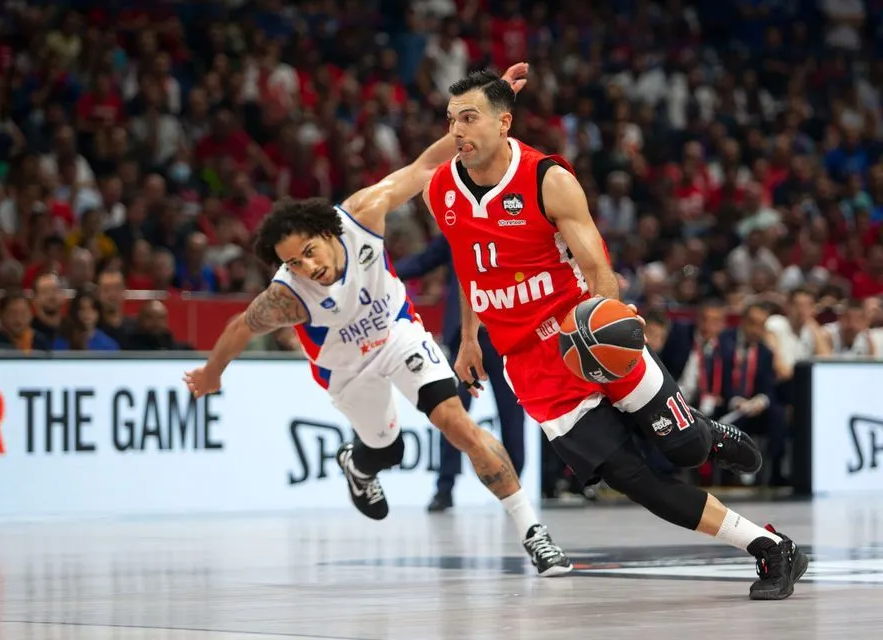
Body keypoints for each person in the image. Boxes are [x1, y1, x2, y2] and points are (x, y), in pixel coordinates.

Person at [424, 69, 808, 600]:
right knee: (636, 480)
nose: (457, 130)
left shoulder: (546, 178)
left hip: (586, 331)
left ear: (504, 123)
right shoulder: (440, 189)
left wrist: (611, 315)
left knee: (683, 449)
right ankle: (771, 547)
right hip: (532, 367)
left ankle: (706, 433)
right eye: (451, 120)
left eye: (469, 118)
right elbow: (469, 266)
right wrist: (470, 338)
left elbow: (597, 266)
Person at [183, 63, 572, 578]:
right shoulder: (288, 296)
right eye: (292, 262)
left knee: (457, 424)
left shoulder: (363, 214)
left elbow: (426, 163)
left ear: (327, 231)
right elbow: (240, 327)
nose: (306, 267)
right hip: (346, 371)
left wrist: (486, 107)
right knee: (388, 450)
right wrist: (212, 373)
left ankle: (533, 533)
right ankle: (360, 463)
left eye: (308, 252)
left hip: (397, 335)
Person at [395, 233, 526, 512]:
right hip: (466, 340)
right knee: (452, 413)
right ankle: (445, 488)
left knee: (511, 415)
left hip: (504, 337)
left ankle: (515, 489)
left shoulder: (512, 227)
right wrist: (382, 273)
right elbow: (423, 261)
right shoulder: (456, 227)